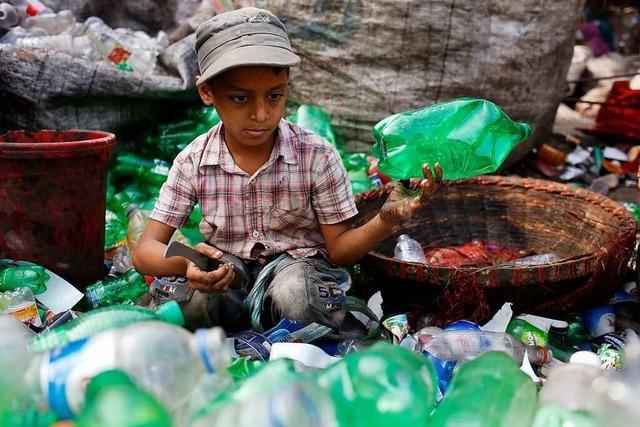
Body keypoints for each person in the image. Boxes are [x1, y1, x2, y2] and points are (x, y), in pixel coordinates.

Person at [132, 7, 443, 336]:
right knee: (192, 301)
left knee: (296, 295)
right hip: (228, 271)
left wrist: (385, 220)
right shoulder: (194, 160)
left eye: (275, 95)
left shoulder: (316, 155)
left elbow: (339, 250)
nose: (261, 114)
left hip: (299, 268)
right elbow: (146, 250)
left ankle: (282, 325)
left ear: (287, 87)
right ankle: (251, 329)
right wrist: (187, 262)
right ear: (207, 91)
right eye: (240, 98)